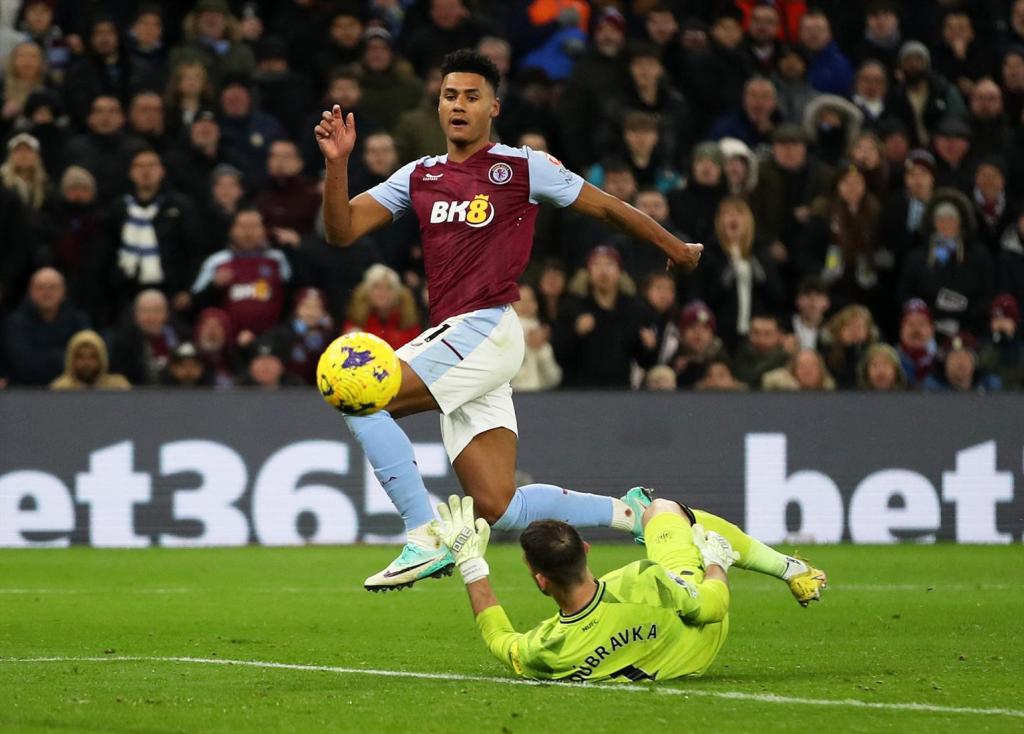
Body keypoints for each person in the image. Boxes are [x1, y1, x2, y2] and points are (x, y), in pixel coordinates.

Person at [316, 48, 702, 591]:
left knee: (358, 395)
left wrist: (674, 245)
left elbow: (608, 207)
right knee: (498, 506)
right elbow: (342, 230)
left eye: (472, 96)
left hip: (487, 326)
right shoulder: (419, 175)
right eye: (450, 95)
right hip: (461, 339)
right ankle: (633, 513)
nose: (459, 106)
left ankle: (423, 533)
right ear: (439, 104)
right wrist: (338, 165)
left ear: (493, 106)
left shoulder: (522, 167)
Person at [433, 493, 827, 682]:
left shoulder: (545, 648)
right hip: (699, 639)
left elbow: (500, 638)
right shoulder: (644, 579)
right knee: (665, 511)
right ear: (586, 550)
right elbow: (713, 608)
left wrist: (471, 564)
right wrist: (716, 563)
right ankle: (790, 568)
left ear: (541, 580)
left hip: (674, 664)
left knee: (662, 521)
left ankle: (639, 516)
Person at [2, 267, 89, 386]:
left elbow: (86, 361)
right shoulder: (15, 323)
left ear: (63, 291)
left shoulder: (78, 320)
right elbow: (23, 364)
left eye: (52, 287)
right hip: (25, 392)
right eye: (40, 288)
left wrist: (39, 356)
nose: (46, 293)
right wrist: (64, 358)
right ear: (30, 291)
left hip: (71, 390)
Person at [50, 329, 131, 390]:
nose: (86, 363)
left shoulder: (118, 387)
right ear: (71, 359)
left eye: (93, 357)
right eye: (80, 357)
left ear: (102, 360)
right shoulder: (60, 389)